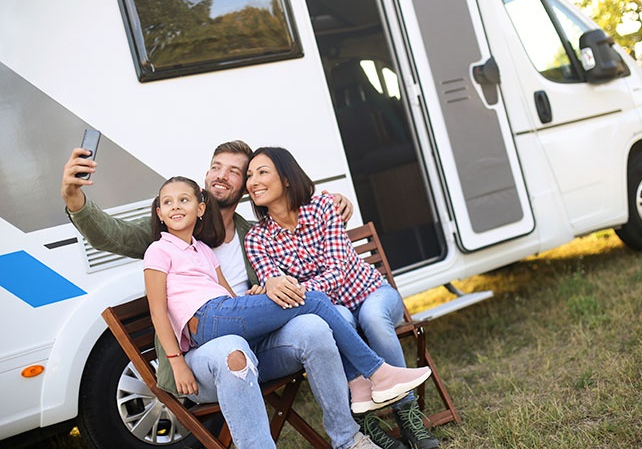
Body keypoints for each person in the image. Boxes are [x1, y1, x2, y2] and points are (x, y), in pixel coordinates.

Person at [60, 141, 377, 449]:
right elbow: (112, 235)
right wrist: (75, 198)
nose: (221, 175)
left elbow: (302, 245)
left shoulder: (255, 233)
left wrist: (335, 203)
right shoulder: (171, 233)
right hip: (204, 359)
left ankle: (347, 439)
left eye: (235, 171)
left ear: (247, 186)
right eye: (215, 167)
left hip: (261, 345)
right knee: (232, 348)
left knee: (315, 329)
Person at [145, 175, 430, 410]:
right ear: (159, 213)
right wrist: (176, 362)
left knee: (310, 312)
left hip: (224, 313)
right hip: (204, 320)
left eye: (184, 199)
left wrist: (252, 302)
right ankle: (378, 374)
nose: (176, 207)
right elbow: (158, 312)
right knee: (315, 300)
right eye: (167, 202)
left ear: (201, 208)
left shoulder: (204, 250)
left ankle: (368, 382)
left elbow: (229, 297)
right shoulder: (159, 250)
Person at [244, 147, 440, 449]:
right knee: (339, 321)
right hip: (335, 310)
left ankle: (407, 414)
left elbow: (338, 271)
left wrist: (300, 290)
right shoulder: (257, 239)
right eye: (249, 175)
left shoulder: (324, 206)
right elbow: (275, 286)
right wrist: (283, 288)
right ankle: (366, 421)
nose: (252, 181)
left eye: (262, 172)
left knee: (372, 318)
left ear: (285, 178)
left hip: (372, 293)